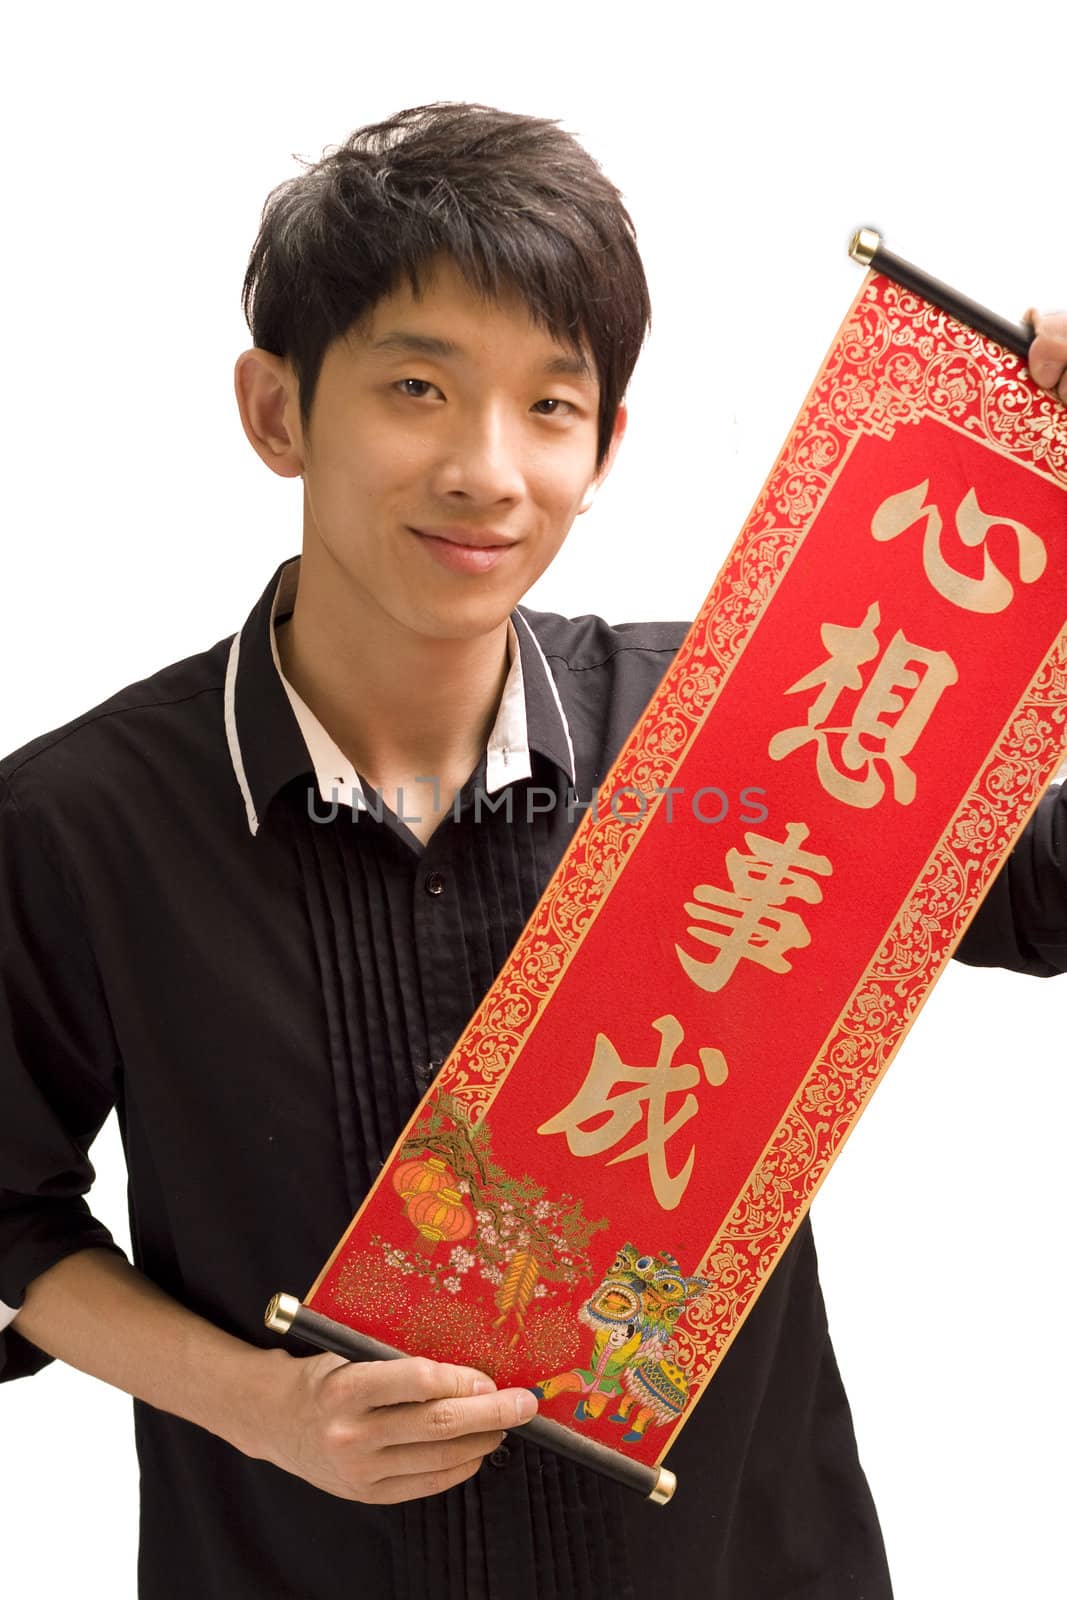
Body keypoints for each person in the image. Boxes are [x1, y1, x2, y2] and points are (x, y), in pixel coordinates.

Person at [1, 101, 1065, 1600]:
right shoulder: (82, 821)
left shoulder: (756, 735)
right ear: (276, 410)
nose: (488, 470)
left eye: (550, 408)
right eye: (419, 388)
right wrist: (267, 1406)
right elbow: (9, 1214)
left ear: (605, 445)